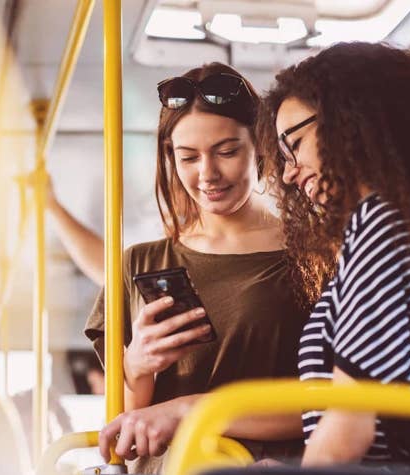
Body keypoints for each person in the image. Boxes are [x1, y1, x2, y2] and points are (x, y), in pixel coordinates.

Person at [86, 62, 309, 473]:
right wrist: (136, 367)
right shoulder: (141, 263)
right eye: (188, 157)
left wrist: (193, 410)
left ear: (259, 146)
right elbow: (125, 431)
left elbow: (329, 402)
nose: (207, 174)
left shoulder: (309, 255)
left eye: (226, 152)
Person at [261, 41, 410, 467]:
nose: (290, 172)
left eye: (295, 144)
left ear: (351, 120)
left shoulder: (379, 222)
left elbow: (353, 425)